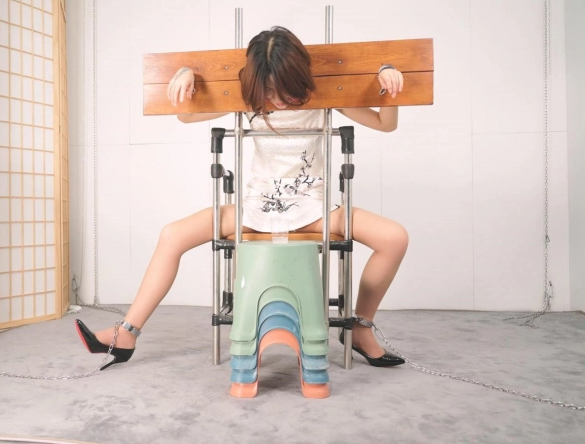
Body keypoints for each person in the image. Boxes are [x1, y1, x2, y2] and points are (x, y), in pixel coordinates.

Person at [75, 26, 409, 369]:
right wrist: (186, 73)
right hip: (255, 209)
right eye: (269, 91)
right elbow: (186, 115)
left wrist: (388, 80)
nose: (278, 100)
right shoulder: (246, 98)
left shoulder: (327, 93)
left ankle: (360, 329)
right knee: (172, 235)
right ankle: (127, 333)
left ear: (301, 77)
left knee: (394, 237)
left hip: (313, 208)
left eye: (286, 90)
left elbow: (385, 124)